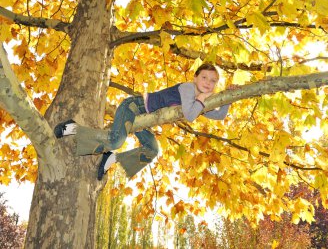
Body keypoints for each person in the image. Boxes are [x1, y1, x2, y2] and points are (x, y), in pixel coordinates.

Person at [54, 63, 236, 180]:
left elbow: (218, 115)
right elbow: (190, 115)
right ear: (195, 77)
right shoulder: (189, 89)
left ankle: (111, 158)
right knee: (115, 140)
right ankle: (73, 128)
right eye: (204, 77)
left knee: (152, 150)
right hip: (134, 107)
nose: (208, 82)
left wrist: (228, 98)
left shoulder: (198, 102)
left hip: (145, 121)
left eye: (213, 81)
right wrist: (202, 100)